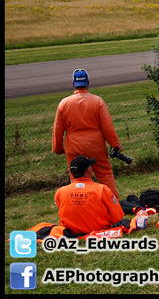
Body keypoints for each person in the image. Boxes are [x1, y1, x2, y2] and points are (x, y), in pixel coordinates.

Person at [52, 69, 123, 198]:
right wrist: (115, 144)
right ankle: (114, 205)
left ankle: (79, 205)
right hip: (96, 145)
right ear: (88, 83)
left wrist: (57, 147)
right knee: (105, 174)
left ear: (73, 84)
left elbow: (58, 129)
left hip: (73, 145)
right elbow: (107, 127)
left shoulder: (64, 103)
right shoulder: (97, 101)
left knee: (77, 178)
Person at [54, 155, 125, 235]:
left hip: (71, 233)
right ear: (88, 170)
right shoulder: (102, 190)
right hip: (99, 231)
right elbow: (117, 217)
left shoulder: (60, 192)